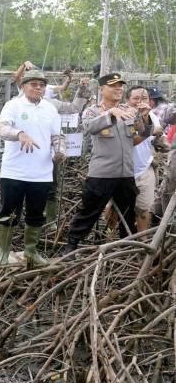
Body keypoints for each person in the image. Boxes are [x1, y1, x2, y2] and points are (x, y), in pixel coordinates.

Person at [64, 73, 151, 256]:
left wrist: (144, 117)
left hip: (126, 173)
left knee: (127, 214)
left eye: (121, 86)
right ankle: (71, 247)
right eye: (114, 86)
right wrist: (110, 113)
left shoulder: (129, 110)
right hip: (102, 174)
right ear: (102, 89)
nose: (119, 89)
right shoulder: (92, 111)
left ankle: (126, 248)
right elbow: (89, 128)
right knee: (89, 212)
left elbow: (138, 134)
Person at [0, 70, 65, 267]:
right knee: (9, 212)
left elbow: (57, 136)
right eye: (33, 84)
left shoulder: (50, 109)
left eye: (42, 85)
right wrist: (19, 134)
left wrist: (60, 151)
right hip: (14, 171)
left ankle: (30, 252)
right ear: (23, 86)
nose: (38, 88)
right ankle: (4, 251)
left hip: (41, 173)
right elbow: (1, 129)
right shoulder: (13, 105)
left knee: (36, 214)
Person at [125, 86, 167, 231]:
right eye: (136, 98)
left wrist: (162, 142)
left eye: (144, 98)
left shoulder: (153, 117)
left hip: (144, 168)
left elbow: (160, 140)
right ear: (127, 100)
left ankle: (141, 243)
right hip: (122, 170)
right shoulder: (123, 115)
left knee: (144, 209)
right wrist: (149, 131)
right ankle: (109, 237)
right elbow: (130, 140)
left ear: (150, 101)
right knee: (116, 209)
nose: (140, 102)